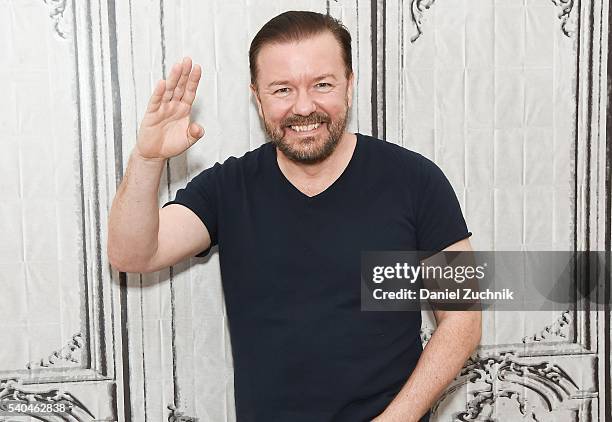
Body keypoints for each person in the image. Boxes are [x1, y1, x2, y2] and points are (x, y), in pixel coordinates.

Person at [108, 10, 481, 422]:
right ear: (257, 96)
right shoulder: (228, 188)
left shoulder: (416, 180)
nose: (304, 107)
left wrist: (397, 419)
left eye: (322, 84)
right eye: (282, 89)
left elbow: (463, 320)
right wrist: (147, 158)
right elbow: (132, 256)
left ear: (349, 86)